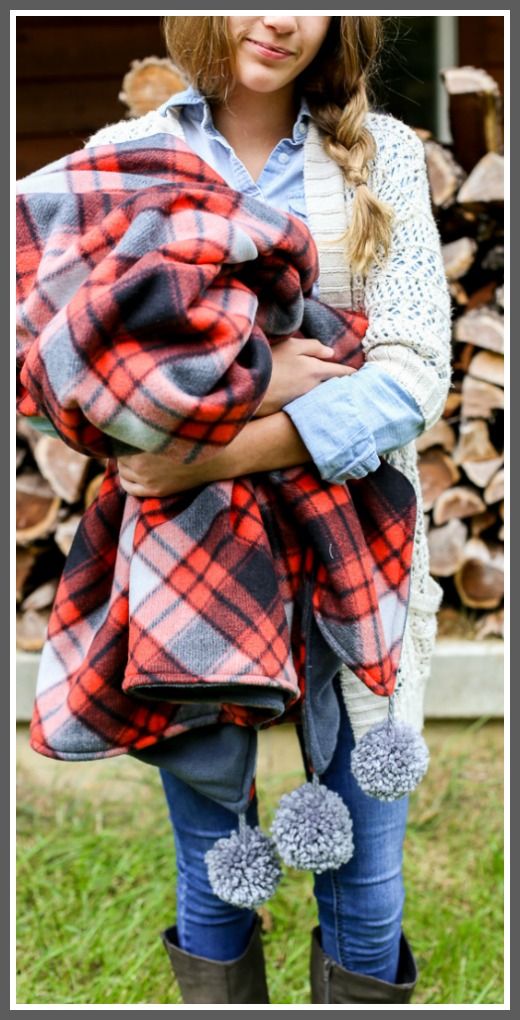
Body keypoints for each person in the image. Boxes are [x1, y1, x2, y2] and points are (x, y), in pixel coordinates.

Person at [41, 15, 452, 1005]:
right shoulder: (123, 159)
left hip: (360, 558)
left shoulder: (382, 155)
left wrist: (219, 447)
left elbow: (412, 371)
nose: (278, 18)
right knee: (217, 868)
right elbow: (73, 365)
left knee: (363, 877)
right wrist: (267, 382)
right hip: (186, 574)